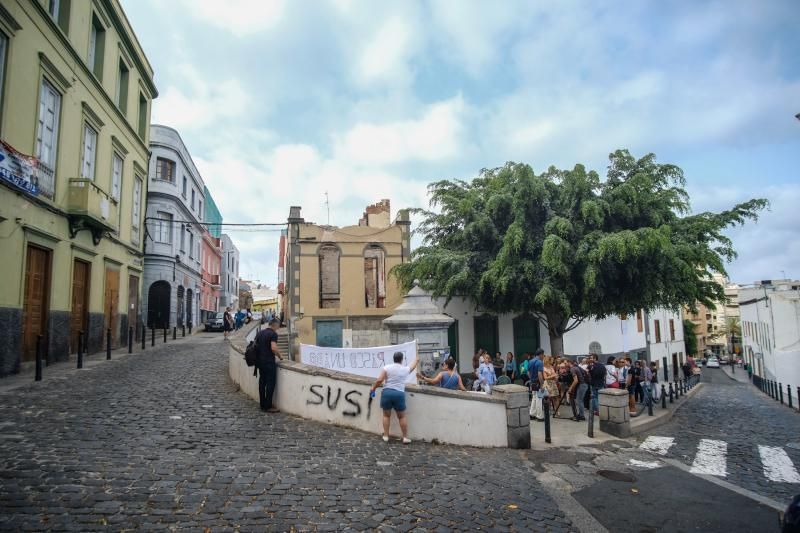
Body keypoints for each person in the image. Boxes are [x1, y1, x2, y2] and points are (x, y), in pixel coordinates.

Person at [370, 351, 419, 444]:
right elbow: (412, 367)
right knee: (401, 417)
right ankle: (404, 437)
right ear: (402, 359)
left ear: (393, 358)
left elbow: (380, 380)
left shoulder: (387, 367)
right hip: (399, 394)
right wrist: (416, 360)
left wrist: (373, 388)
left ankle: (386, 436)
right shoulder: (404, 369)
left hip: (387, 392)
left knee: (386, 415)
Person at [254, 318, 283, 412]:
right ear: (275, 325)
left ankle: (262, 405)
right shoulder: (273, 334)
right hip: (269, 362)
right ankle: (268, 406)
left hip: (260, 362)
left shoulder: (260, 333)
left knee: (262, 383)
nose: (278, 328)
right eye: (278, 326)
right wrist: (280, 356)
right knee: (270, 383)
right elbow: (273, 348)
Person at [528, 349, 545, 421]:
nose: (543, 356)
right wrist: (542, 384)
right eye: (543, 355)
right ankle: (539, 416)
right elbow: (539, 374)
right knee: (539, 399)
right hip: (538, 382)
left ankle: (532, 414)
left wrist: (531, 379)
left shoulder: (530, 361)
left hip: (532, 382)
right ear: (541, 354)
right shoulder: (540, 362)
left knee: (534, 398)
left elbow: (528, 372)